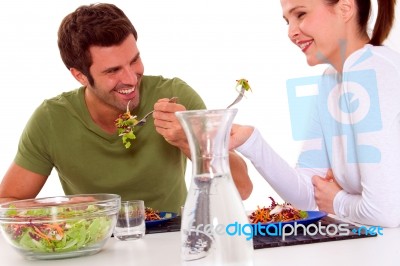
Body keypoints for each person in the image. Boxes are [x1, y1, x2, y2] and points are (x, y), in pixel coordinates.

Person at [0, 3, 252, 212]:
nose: (131, 79)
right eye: (112, 71)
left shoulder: (176, 98)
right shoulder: (52, 120)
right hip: (94, 248)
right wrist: (63, 209)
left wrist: (191, 139)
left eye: (134, 60)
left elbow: (242, 189)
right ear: (80, 76)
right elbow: (5, 202)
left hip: (172, 240)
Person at [229, 0, 400, 227]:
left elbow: (384, 213)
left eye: (300, 14)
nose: (291, 32)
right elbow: (310, 198)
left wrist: (338, 201)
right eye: (287, 21)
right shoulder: (331, 80)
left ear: (345, 8)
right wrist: (250, 141)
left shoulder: (372, 70)